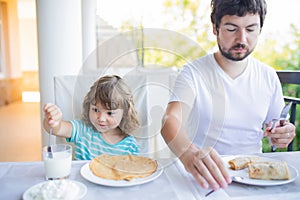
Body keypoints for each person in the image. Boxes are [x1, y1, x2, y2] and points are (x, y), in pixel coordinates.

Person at [161, 0, 296, 191]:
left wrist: (283, 133)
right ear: (215, 28)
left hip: (253, 178)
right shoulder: (193, 72)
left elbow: (277, 125)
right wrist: (189, 154)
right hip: (204, 176)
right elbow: (170, 119)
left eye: (251, 29)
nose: (242, 39)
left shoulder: (268, 76)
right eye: (232, 29)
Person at [43, 75, 140, 160]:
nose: (101, 118)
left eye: (110, 113)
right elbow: (56, 130)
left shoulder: (130, 145)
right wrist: (53, 121)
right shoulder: (83, 129)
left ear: (125, 113)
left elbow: (132, 174)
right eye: (96, 110)